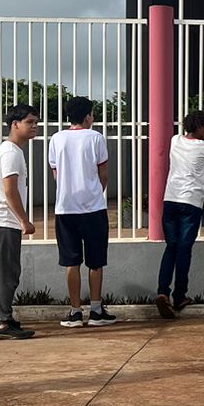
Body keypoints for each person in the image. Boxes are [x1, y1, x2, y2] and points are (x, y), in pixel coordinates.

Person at [48, 96, 115, 328]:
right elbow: (103, 173)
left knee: (71, 262)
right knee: (96, 261)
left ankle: (75, 312)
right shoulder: (96, 138)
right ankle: (96, 310)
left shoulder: (56, 138)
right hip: (93, 208)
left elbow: (55, 173)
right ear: (88, 116)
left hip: (65, 208)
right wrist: (96, 191)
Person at [0, 104, 40, 340]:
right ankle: (3, 323)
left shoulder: (12, 151)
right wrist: (24, 220)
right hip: (3, 221)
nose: (35, 126)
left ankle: (0, 316)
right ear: (15, 124)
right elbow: (9, 190)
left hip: (0, 220)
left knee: (2, 272)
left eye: (36, 122)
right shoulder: (11, 153)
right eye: (30, 122)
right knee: (9, 273)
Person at [157, 105, 204, 319]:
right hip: (191, 203)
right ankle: (179, 296)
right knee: (184, 250)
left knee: (171, 248)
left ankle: (162, 293)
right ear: (202, 128)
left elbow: (196, 124)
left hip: (171, 200)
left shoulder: (176, 141)